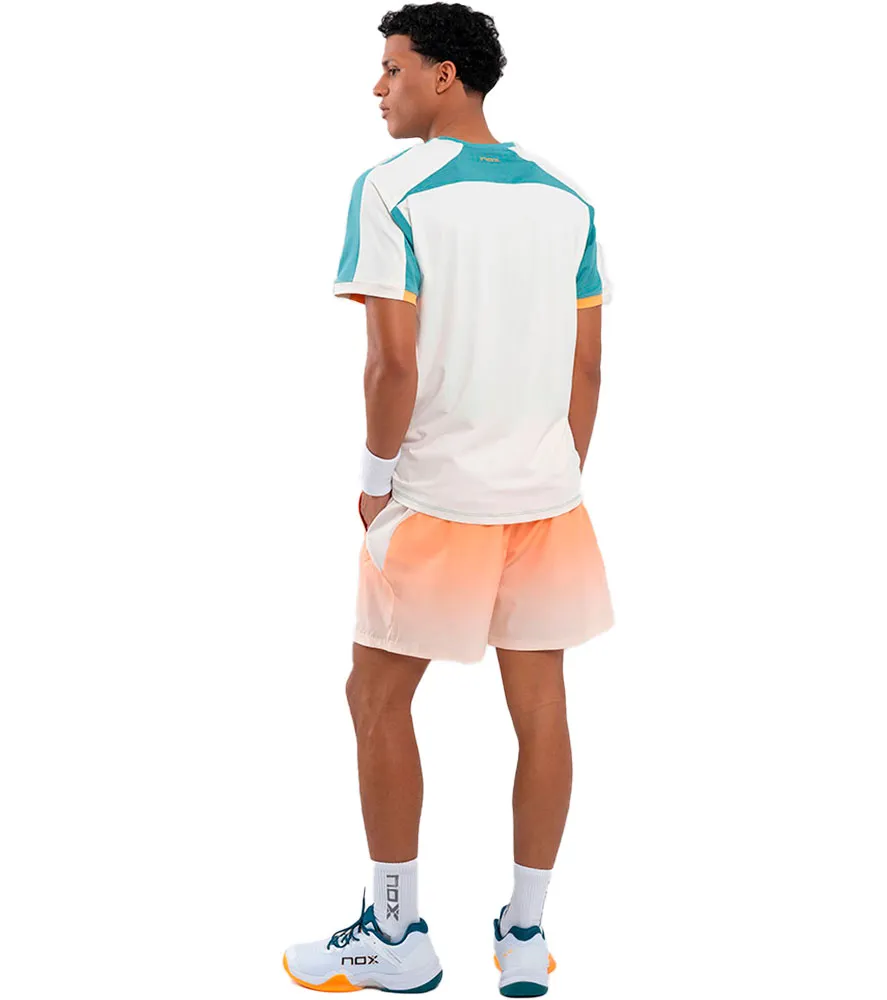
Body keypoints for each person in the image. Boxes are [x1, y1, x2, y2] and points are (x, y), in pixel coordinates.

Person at [282, 4, 613, 995]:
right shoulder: (568, 198)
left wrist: (374, 479)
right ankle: (525, 935)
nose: (378, 87)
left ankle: (395, 934)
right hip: (548, 501)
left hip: (435, 497)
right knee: (542, 706)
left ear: (444, 75)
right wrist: (553, 469)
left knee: (375, 696)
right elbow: (587, 369)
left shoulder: (391, 189)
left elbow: (391, 365)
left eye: (392, 68)